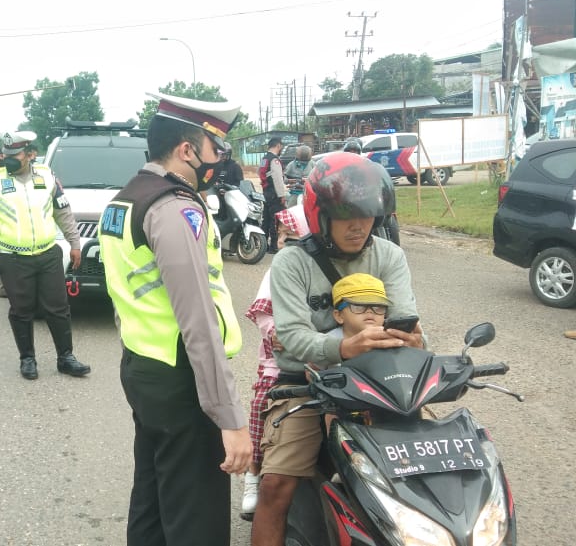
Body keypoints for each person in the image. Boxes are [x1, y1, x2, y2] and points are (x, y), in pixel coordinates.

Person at [98, 92, 251, 545]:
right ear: (187, 150)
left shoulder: (123, 200)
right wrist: (231, 420)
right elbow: (198, 322)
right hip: (183, 380)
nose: (221, 159)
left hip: (143, 367)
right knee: (196, 519)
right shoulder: (175, 208)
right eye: (216, 148)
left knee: (153, 499)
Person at [251, 152, 425, 546]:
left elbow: (406, 322)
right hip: (304, 385)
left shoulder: (390, 256)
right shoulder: (291, 262)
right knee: (276, 485)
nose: (360, 226)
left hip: (381, 381)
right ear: (320, 215)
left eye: (368, 216)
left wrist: (416, 340)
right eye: (348, 216)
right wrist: (345, 347)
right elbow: (293, 339)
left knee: (425, 468)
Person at [0, 131, 90, 380]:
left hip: (48, 254)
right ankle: (27, 359)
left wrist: (75, 243)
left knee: (58, 308)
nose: (8, 159)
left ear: (30, 154)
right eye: (5, 154)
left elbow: (63, 212)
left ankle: (66, 358)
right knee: (21, 310)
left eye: (15, 155)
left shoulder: (47, 176)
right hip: (14, 258)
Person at [240, 205, 309, 519]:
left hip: (326, 361)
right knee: (261, 405)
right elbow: (268, 323)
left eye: (291, 235)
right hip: (280, 363)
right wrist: (286, 336)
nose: (283, 241)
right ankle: (253, 475)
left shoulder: (321, 267)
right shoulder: (277, 269)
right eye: (282, 234)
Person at [328, 273, 390, 340]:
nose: (370, 311)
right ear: (339, 316)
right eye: (359, 306)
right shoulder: (327, 344)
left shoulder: (394, 341)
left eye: (377, 306)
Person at [259, 137, 287, 253]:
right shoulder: (274, 160)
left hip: (266, 192)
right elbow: (277, 179)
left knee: (266, 219)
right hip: (274, 194)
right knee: (275, 220)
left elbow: (261, 174)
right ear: (278, 146)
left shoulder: (264, 159)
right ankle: (274, 246)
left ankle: (263, 245)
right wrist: (282, 195)